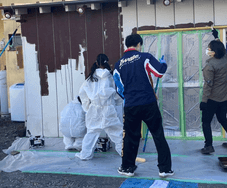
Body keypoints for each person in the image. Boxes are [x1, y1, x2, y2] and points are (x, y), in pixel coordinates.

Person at [113, 34, 174, 178]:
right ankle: (164, 169)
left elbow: (119, 89)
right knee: (158, 134)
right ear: (139, 44)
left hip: (131, 106)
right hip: (148, 103)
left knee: (130, 137)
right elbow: (159, 72)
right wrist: (163, 63)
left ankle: (127, 168)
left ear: (127, 46)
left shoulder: (118, 65)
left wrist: (129, 97)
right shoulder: (144, 57)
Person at [75, 54, 123, 160]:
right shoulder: (112, 77)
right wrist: (116, 104)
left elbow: (83, 95)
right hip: (108, 109)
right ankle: (124, 153)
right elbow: (118, 94)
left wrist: (87, 107)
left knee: (91, 133)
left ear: (96, 63)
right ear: (107, 63)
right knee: (116, 132)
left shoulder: (90, 79)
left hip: (95, 109)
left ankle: (85, 155)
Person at [199, 29, 227, 154]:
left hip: (212, 98)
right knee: (223, 119)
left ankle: (208, 146)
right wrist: (216, 37)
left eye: (209, 48)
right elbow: (222, 49)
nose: (208, 49)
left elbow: (208, 85)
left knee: (206, 122)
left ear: (213, 52)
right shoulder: (225, 58)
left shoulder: (210, 65)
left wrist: (204, 101)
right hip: (225, 97)